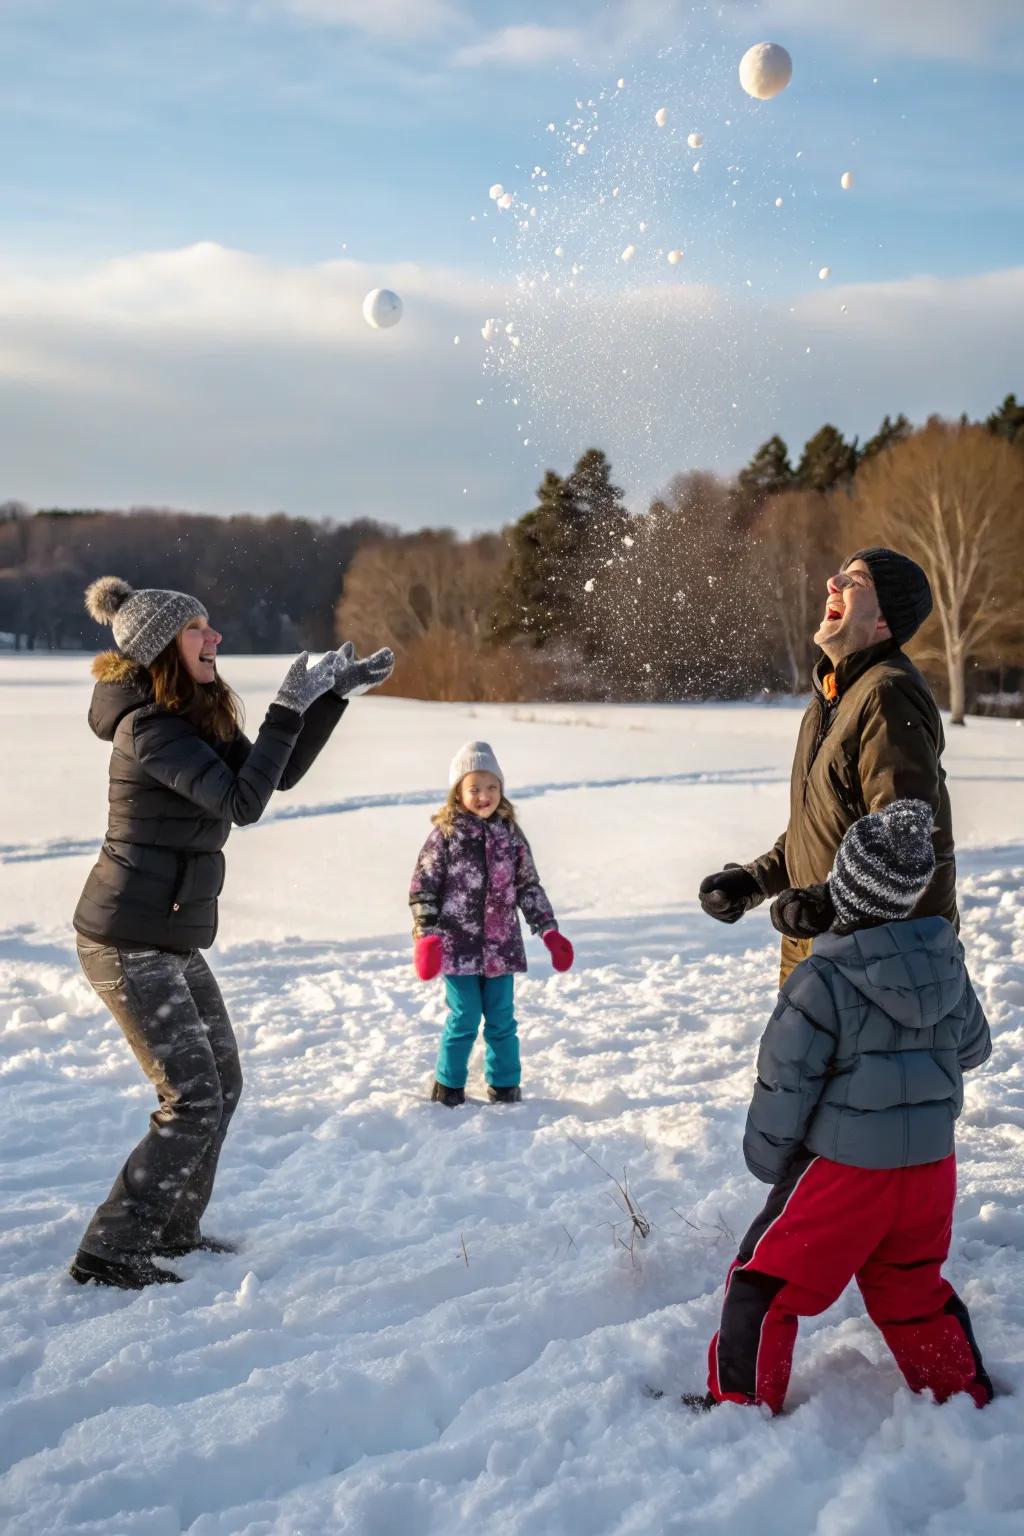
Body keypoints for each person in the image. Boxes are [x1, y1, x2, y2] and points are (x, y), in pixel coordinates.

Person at [70, 575, 394, 1289]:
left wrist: (328, 697)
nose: (215, 638)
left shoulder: (190, 716)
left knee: (223, 1082)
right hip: (126, 938)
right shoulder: (148, 728)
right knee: (193, 1097)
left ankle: (173, 1228)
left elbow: (271, 775)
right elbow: (242, 804)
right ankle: (109, 1249)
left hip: (170, 932)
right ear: (161, 647)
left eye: (210, 627)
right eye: (198, 630)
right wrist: (285, 704)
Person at [689, 800, 993, 1416]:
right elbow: (975, 1047)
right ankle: (962, 1395)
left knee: (762, 1283)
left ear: (845, 893)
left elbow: (786, 1081)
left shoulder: (821, 981)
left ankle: (740, 1404)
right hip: (930, 1169)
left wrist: (770, 1157)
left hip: (846, 1171)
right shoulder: (947, 963)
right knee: (911, 1286)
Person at [699, 548, 956, 986]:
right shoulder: (832, 698)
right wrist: (756, 880)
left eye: (855, 581)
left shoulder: (887, 693)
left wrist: (829, 903)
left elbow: (903, 840)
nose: (832, 584)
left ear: (883, 621)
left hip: (882, 960)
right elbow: (826, 823)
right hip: (826, 947)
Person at [409, 741, 574, 1106]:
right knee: (465, 1016)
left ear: (501, 789)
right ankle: (448, 1084)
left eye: (491, 787)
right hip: (457, 947)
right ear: (458, 793)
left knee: (502, 1019)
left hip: (501, 947)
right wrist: (427, 936)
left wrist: (548, 930)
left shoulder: (510, 835)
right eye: (474, 788)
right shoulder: (445, 836)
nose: (484, 795)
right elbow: (423, 887)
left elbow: (527, 885)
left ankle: (505, 1084)